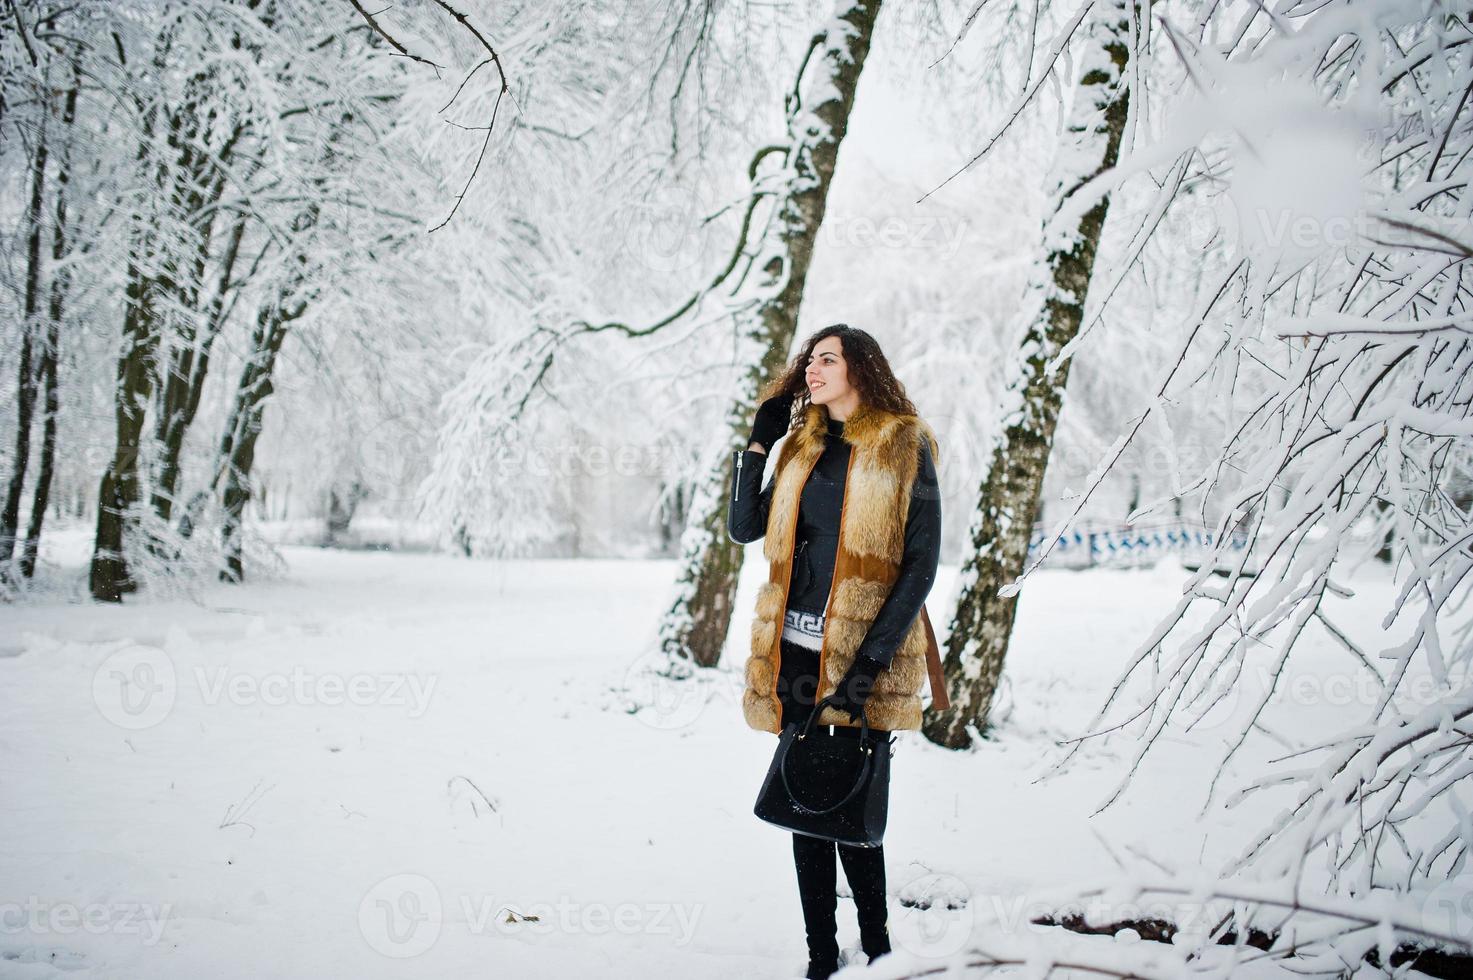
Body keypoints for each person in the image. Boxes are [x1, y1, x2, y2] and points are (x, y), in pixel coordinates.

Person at [727, 324, 942, 980]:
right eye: (808, 361)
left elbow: (920, 565)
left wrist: (868, 667)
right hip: (792, 653)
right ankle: (822, 953)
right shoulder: (801, 445)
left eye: (827, 359)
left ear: (860, 369)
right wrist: (758, 443)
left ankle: (875, 948)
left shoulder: (904, 444)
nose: (811, 370)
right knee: (805, 799)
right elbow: (743, 527)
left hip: (862, 656)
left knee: (851, 795)